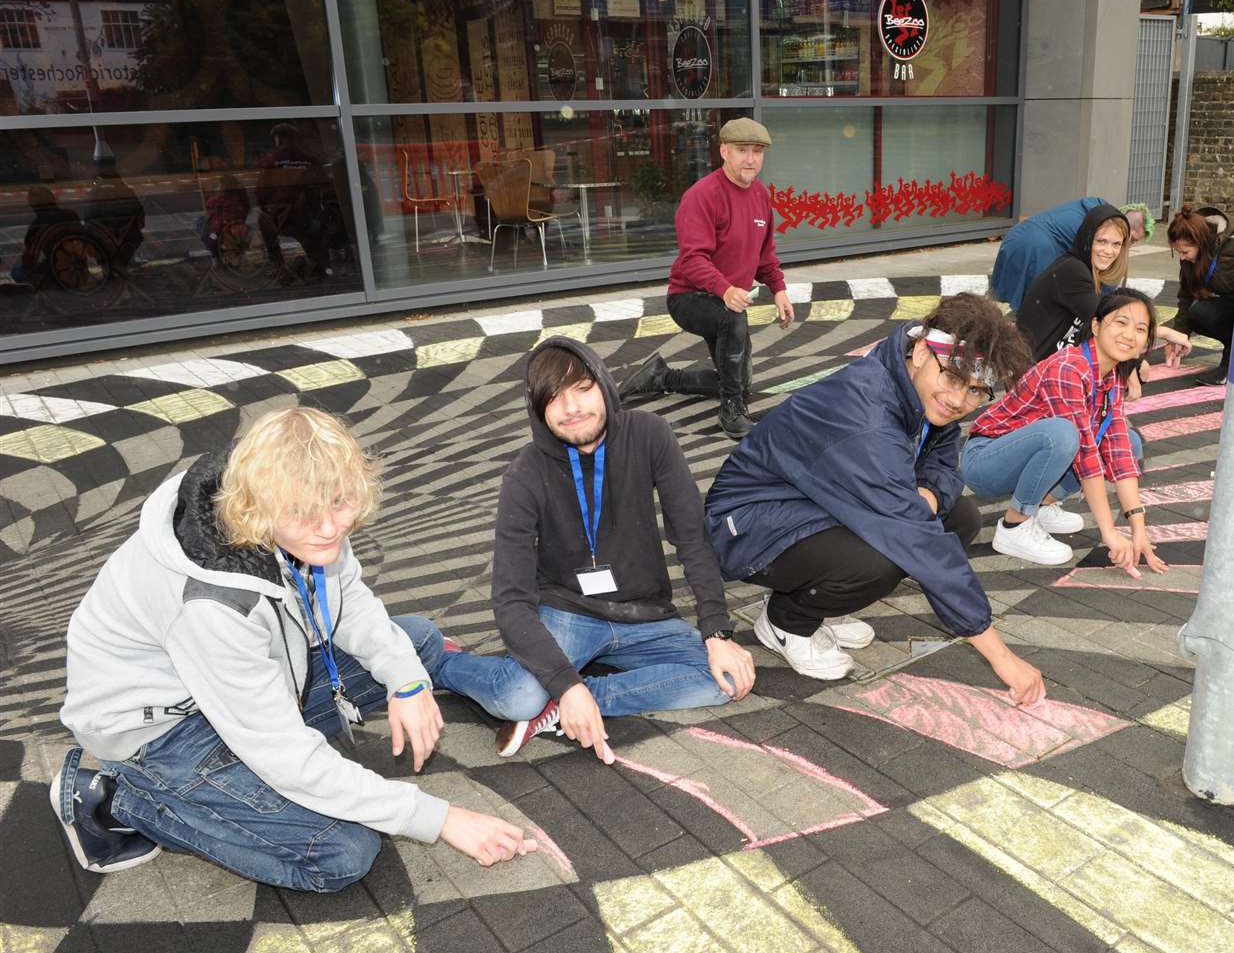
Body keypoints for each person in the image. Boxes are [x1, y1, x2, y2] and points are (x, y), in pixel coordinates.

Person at [52, 408, 541, 888]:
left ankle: (244, 776)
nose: (328, 527)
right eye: (305, 514)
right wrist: (439, 818)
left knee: (413, 643)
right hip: (161, 735)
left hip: (242, 682)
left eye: (340, 503)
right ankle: (126, 800)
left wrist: (408, 683)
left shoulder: (294, 508)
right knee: (342, 855)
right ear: (259, 506)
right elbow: (283, 755)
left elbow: (346, 599)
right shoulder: (215, 604)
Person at [704, 293, 1046, 706]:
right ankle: (787, 621)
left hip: (808, 503)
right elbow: (915, 538)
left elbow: (941, 453)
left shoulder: (907, 375)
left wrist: (932, 497)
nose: (959, 400)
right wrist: (1002, 657)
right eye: (953, 379)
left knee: (959, 517)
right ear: (922, 351)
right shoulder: (867, 415)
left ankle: (811, 597)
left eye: (977, 391)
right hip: (747, 522)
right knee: (885, 555)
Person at [487, 339, 758, 761]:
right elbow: (510, 599)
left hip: (644, 614)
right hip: (568, 612)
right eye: (554, 398)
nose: (572, 408)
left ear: (604, 385)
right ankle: (442, 661)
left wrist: (716, 632)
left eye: (582, 388)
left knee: (723, 678)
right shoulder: (525, 474)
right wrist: (562, 677)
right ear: (538, 410)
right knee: (516, 696)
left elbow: (692, 537)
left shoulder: (650, 434)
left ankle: (572, 701)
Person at [964, 289, 1168, 575]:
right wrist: (1108, 533)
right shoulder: (1069, 368)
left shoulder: (1112, 376)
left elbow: (1118, 447)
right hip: (986, 460)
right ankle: (1014, 525)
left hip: (1029, 456)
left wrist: (1138, 528)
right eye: (1121, 322)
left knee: (1129, 441)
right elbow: (1084, 453)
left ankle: (1042, 506)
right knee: (1063, 434)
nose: (1129, 334)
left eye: (1140, 329)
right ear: (1096, 326)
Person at [617, 117, 795, 440]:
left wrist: (779, 289)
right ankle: (730, 410)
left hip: (727, 298)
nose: (751, 159)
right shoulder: (702, 196)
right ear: (724, 151)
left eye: (757, 151)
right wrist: (725, 289)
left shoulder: (760, 196)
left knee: (741, 381)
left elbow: (764, 254)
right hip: (689, 297)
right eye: (742, 150)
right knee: (734, 322)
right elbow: (692, 259)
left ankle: (661, 377)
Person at [1158, 203, 1234, 385]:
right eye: (1178, 252)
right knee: (1198, 313)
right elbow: (1186, 295)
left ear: (1201, 242)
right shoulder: (1192, 258)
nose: (1182, 257)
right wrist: (1179, 335)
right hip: (1231, 303)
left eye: (1185, 252)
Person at [990, 197, 1152, 311]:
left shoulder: (1092, 208)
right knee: (1037, 309)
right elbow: (1099, 279)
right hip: (1039, 249)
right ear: (1129, 231)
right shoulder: (1101, 226)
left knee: (1014, 306)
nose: (1128, 246)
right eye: (1134, 240)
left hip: (1016, 235)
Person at [257, 122, 333, 279]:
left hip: (285, 215)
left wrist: (266, 207)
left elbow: (261, 191)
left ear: (278, 139)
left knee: (263, 220)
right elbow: (326, 186)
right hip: (311, 214)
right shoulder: (310, 158)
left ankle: (278, 265)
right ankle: (320, 263)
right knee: (309, 234)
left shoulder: (272, 160)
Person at [10, 185, 78, 285]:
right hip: (78, 266)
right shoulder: (71, 215)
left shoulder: (38, 227)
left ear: (33, 206)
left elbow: (31, 258)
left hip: (56, 271)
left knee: (16, 272)